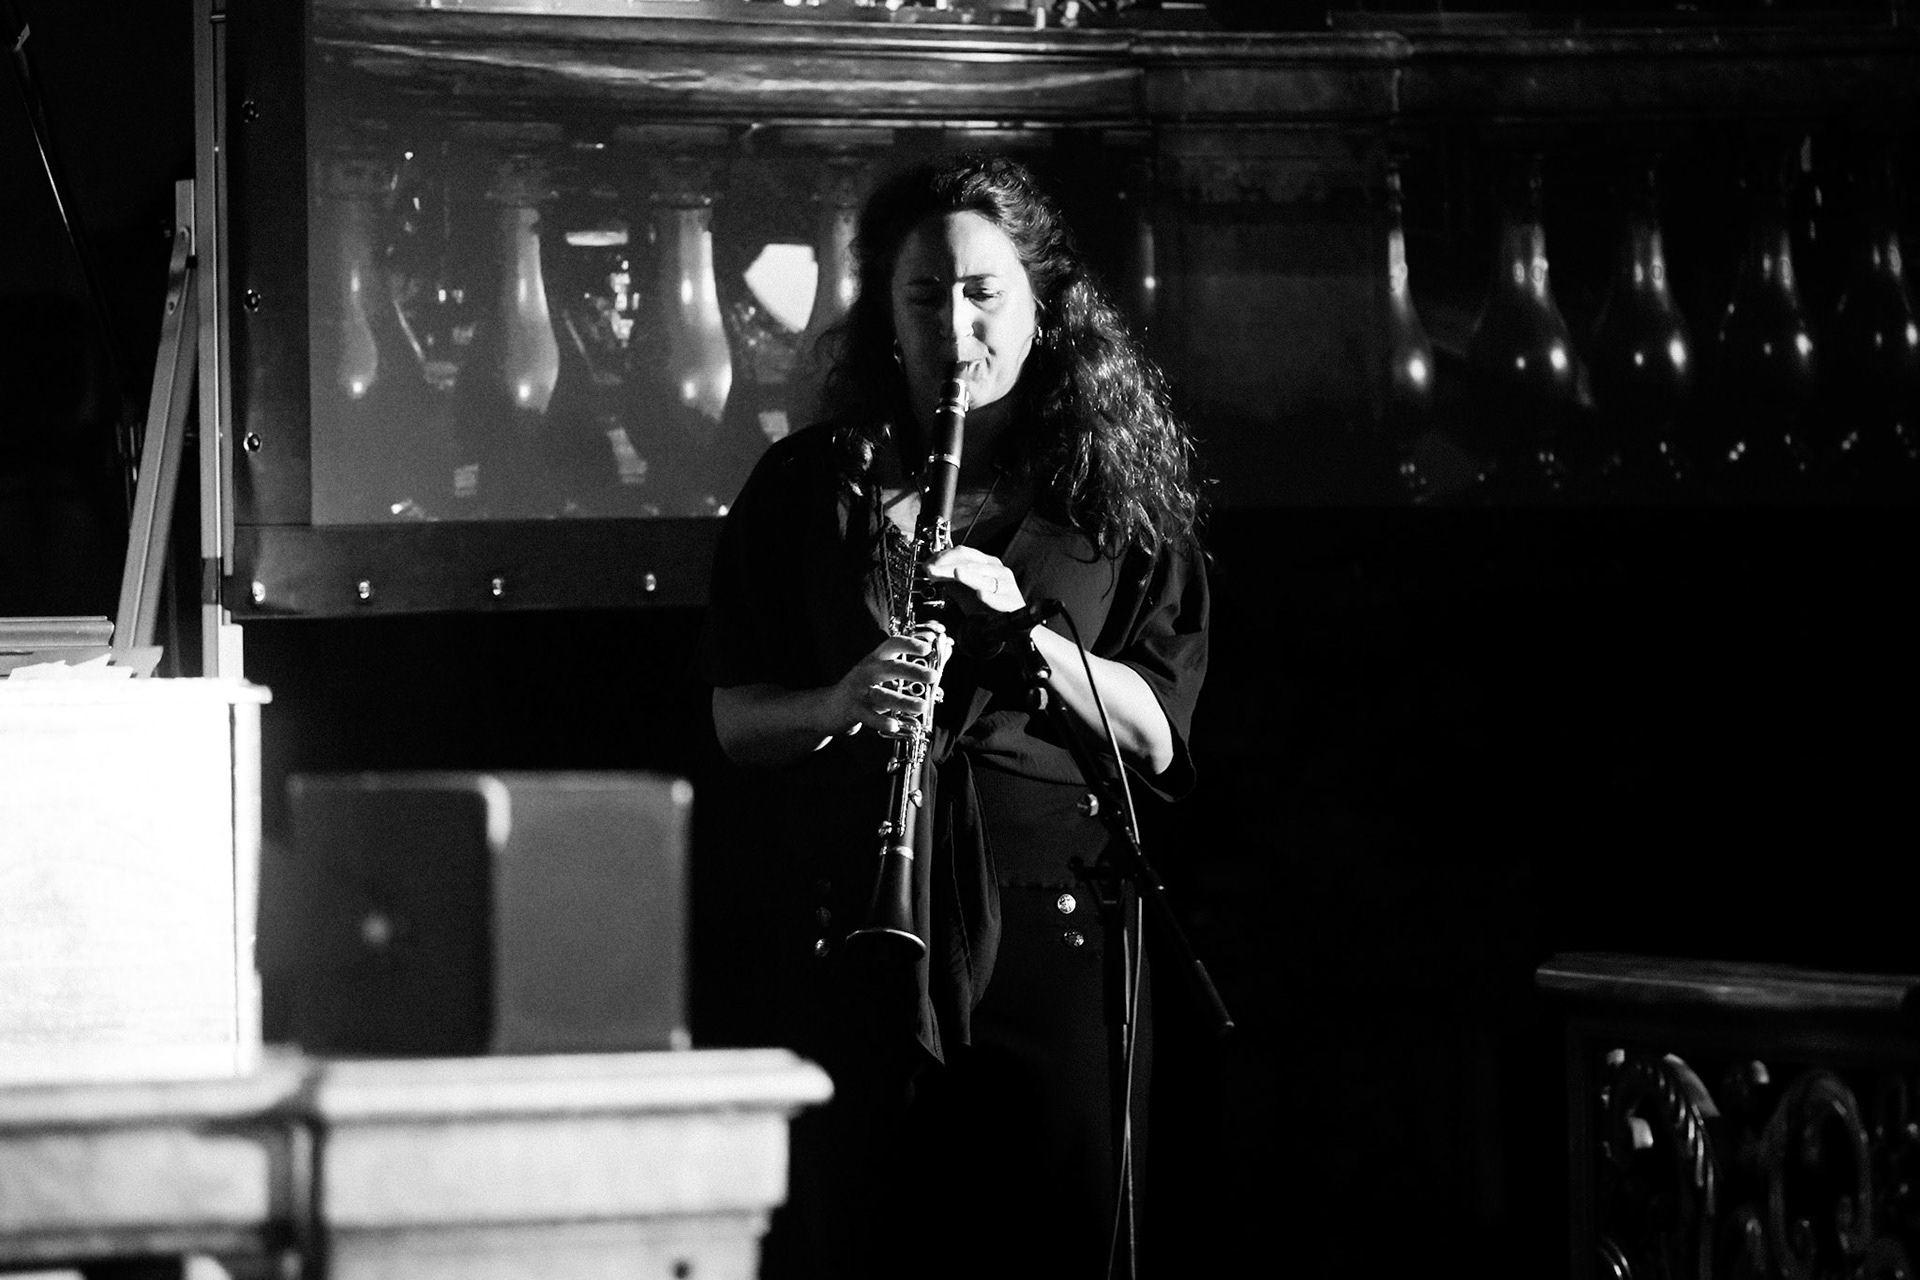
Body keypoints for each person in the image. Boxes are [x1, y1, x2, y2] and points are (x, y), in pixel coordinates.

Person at [699, 153, 1208, 1279]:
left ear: (1043, 309)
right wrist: (840, 698)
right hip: (864, 931)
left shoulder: (1108, 496)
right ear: (887, 311)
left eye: (985, 294)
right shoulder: (808, 484)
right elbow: (736, 717)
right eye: (926, 296)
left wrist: (1022, 623)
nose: (956, 324)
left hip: (1057, 929)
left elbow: (1157, 729)